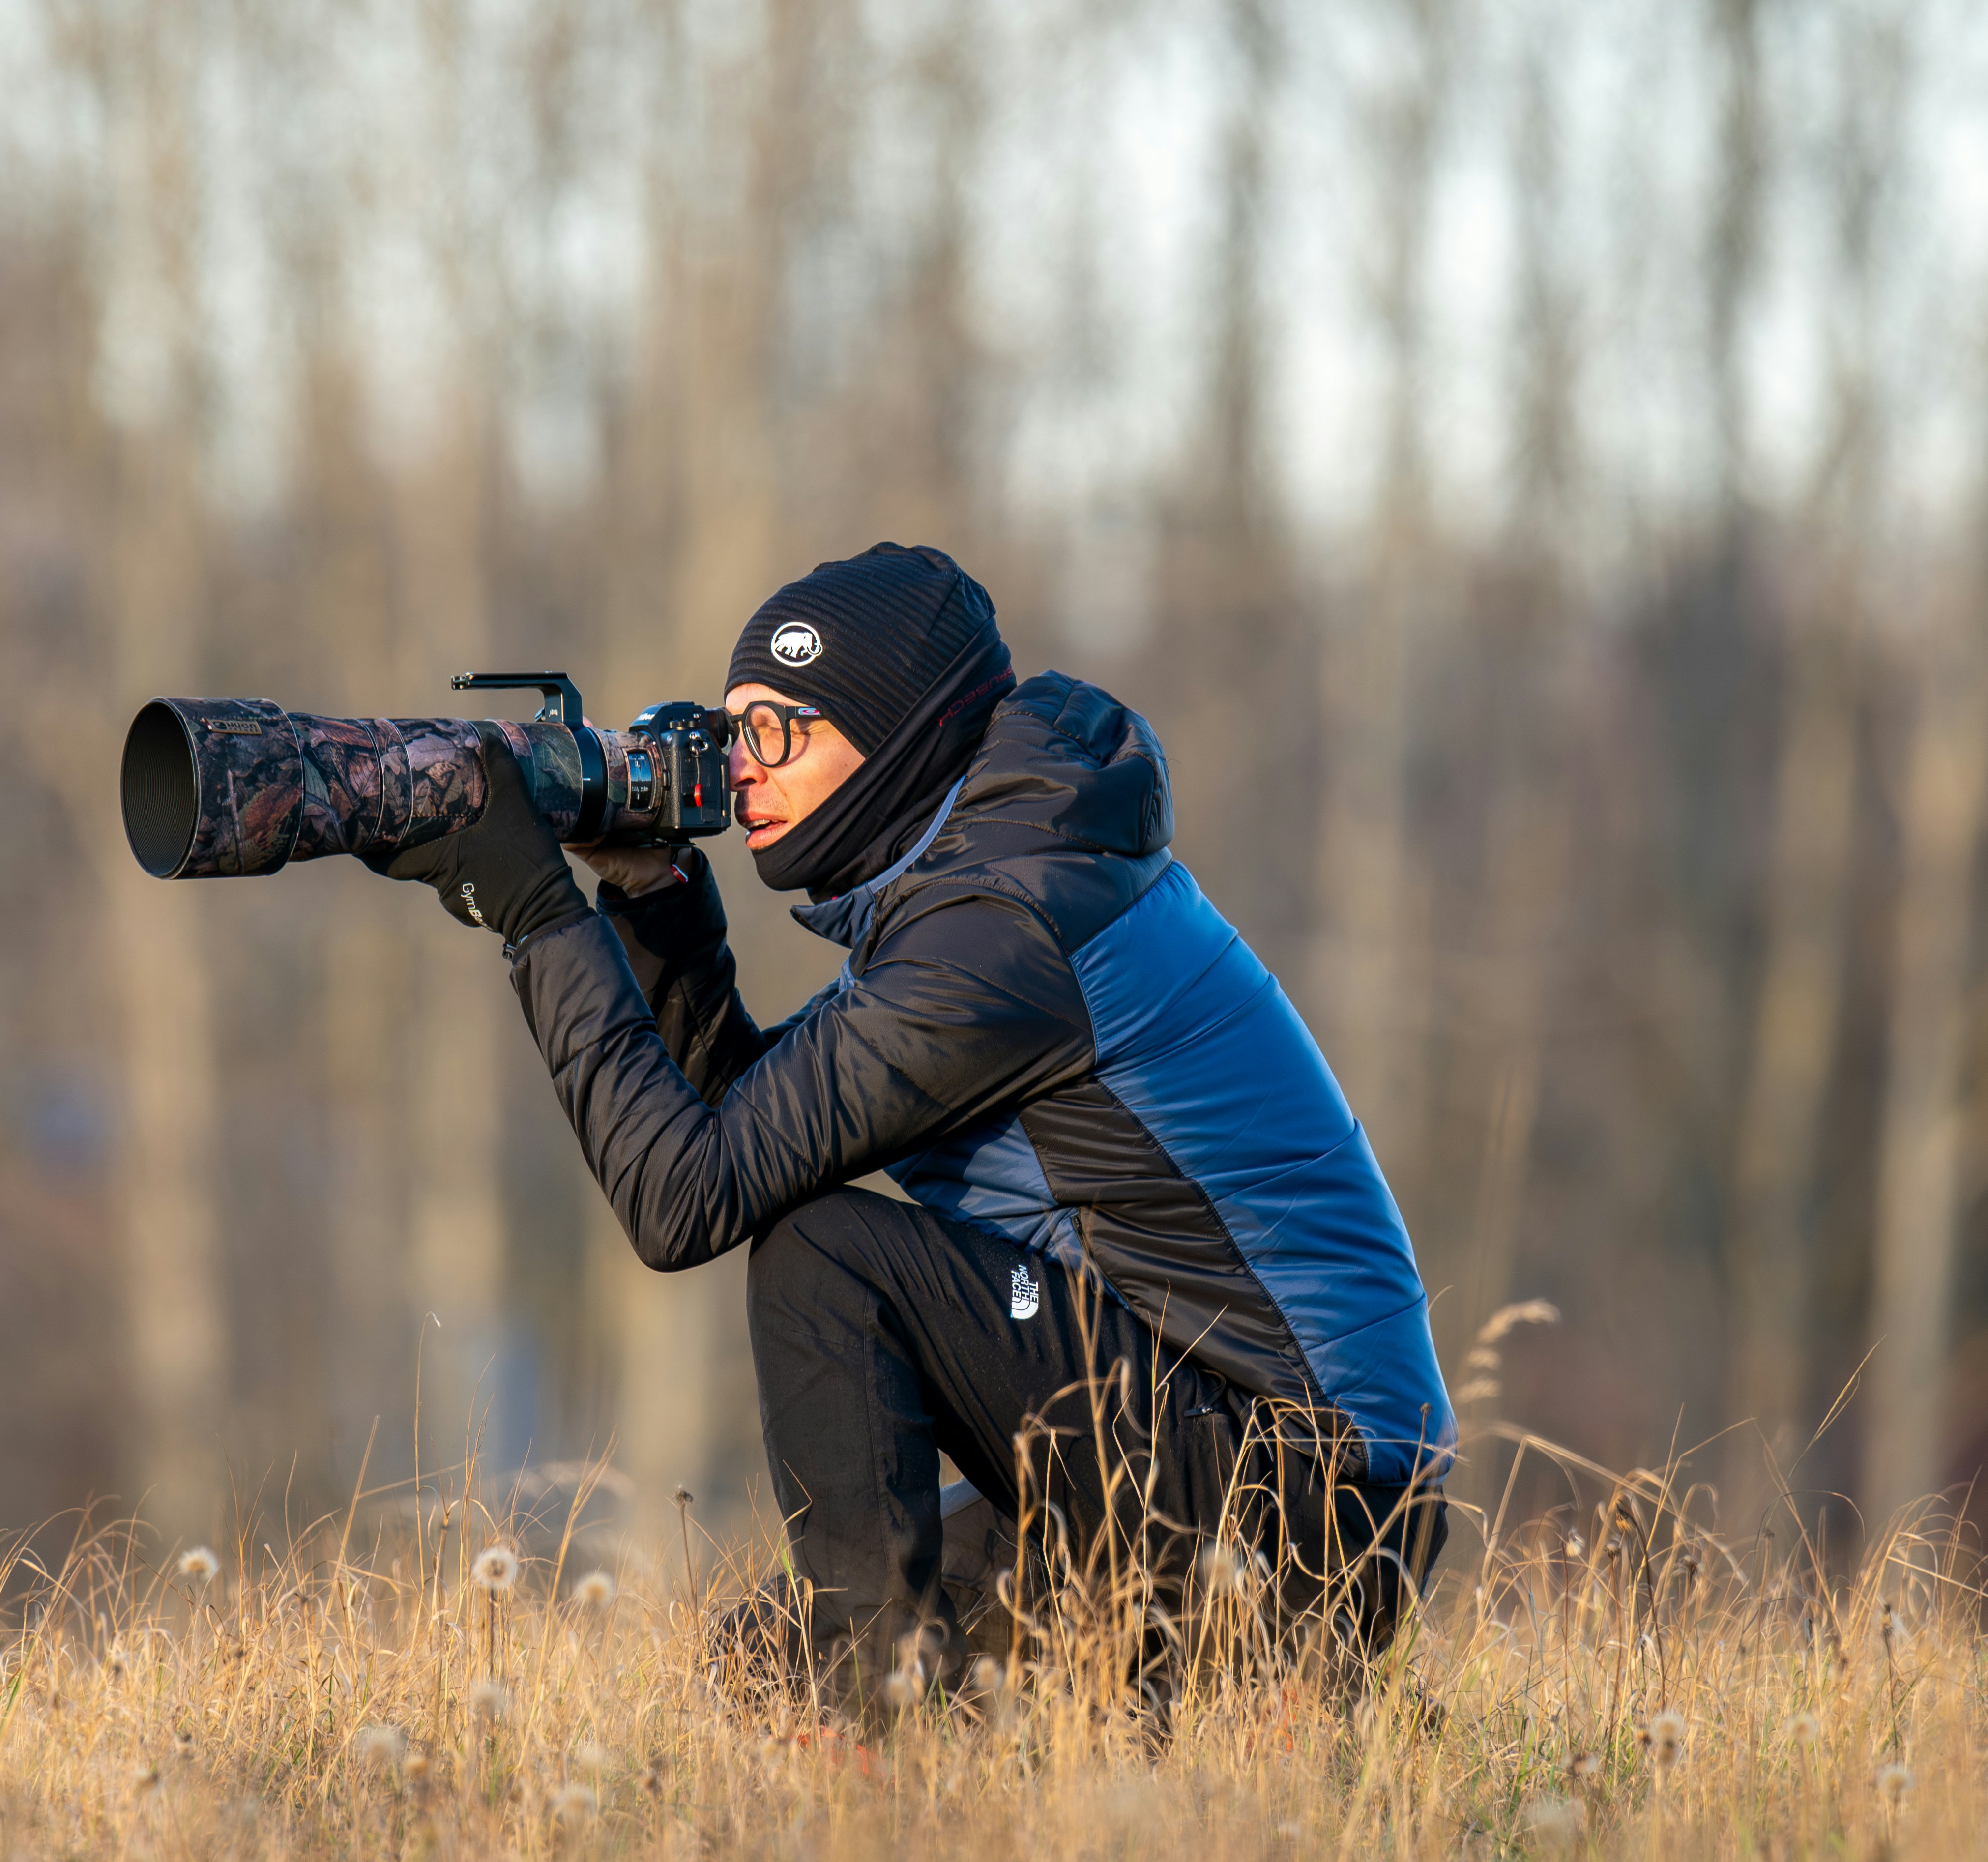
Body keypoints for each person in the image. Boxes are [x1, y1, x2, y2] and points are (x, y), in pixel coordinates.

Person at [365, 542, 1454, 1710]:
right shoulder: (992, 884)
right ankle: (1190, 1730)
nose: (741, 773)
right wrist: (649, 894)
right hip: (1223, 1466)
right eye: (733, 735)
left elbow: (685, 1200)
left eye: (780, 732)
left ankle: (873, 1740)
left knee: (824, 1253)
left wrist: (536, 912)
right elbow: (755, 1130)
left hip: (1306, 1506)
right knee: (765, 1659)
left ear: (891, 739)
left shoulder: (1001, 933)